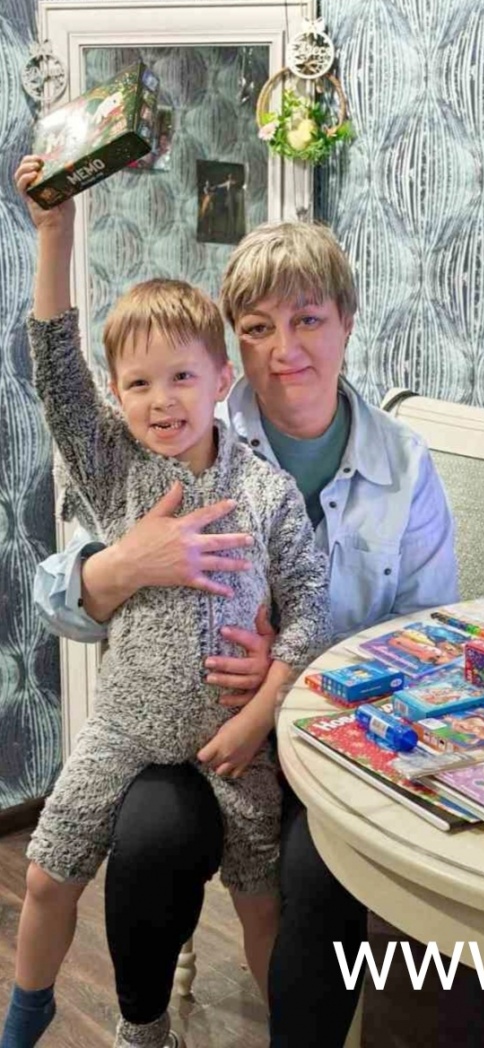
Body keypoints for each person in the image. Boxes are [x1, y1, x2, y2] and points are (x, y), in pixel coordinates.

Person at [34, 215, 460, 1047]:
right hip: (195, 737)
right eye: (258, 328)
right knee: (149, 838)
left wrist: (286, 677)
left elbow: (423, 642)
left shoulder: (405, 467)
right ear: (235, 346)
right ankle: (142, 1026)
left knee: (316, 877)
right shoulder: (178, 425)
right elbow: (61, 598)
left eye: (308, 320)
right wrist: (123, 566)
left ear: (347, 322)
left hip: (330, 738)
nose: (284, 349)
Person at [6, 156, 331, 1048]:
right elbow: (54, 370)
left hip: (235, 747)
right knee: (46, 875)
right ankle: (31, 1022)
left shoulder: (264, 492)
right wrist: (55, 232)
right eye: (139, 384)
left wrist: (259, 715)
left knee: (261, 906)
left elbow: (309, 609)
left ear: (221, 380)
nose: (161, 401)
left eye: (182, 378)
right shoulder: (113, 470)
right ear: (116, 395)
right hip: (122, 732)